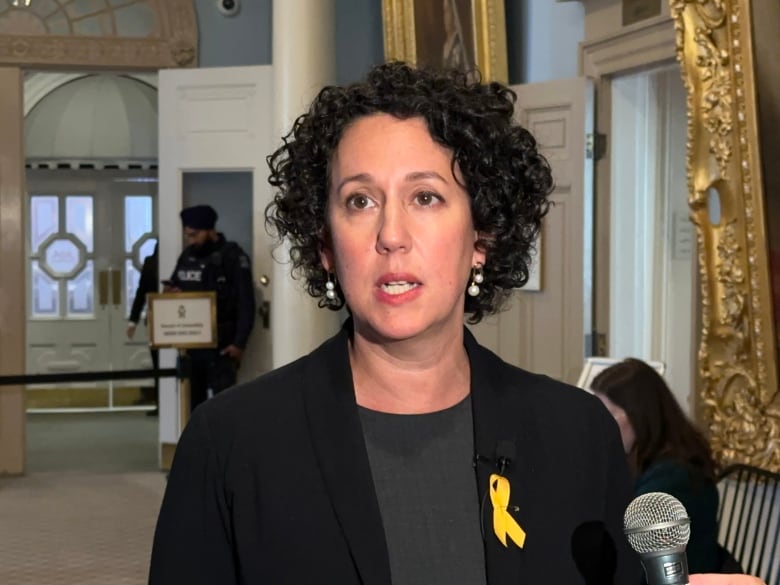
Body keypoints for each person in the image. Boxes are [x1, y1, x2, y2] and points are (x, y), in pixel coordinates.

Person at [148, 63, 757, 585]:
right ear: (327, 244)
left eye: (426, 197)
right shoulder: (231, 443)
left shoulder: (576, 435)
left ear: (481, 240)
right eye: (360, 200)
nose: (391, 235)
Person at [589, 358, 726, 574]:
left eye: (606, 415)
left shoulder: (675, 479)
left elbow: (626, 558)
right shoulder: (645, 460)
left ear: (638, 415)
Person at [164, 204, 255, 412]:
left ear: (209, 230)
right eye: (188, 235)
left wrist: (239, 343)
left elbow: (245, 302)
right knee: (192, 408)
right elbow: (175, 285)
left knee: (224, 409)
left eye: (195, 235)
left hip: (223, 347)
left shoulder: (231, 256)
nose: (191, 240)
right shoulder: (187, 257)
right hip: (193, 347)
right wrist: (173, 295)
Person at [127, 241, 159, 413]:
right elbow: (141, 293)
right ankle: (160, 402)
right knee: (157, 365)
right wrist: (133, 320)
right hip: (155, 321)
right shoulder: (150, 263)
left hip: (180, 326)